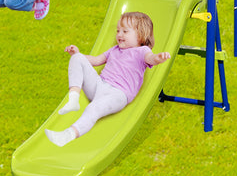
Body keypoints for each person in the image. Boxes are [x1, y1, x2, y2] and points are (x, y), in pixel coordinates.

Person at [45, 11, 169, 146]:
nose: (119, 35)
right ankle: (73, 99)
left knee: (93, 109)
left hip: (118, 94)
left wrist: (158, 58)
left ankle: (68, 135)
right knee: (77, 58)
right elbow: (96, 60)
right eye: (118, 31)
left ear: (140, 35)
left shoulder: (142, 51)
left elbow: (151, 59)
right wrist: (78, 54)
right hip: (99, 85)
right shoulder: (114, 49)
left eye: (125, 31)